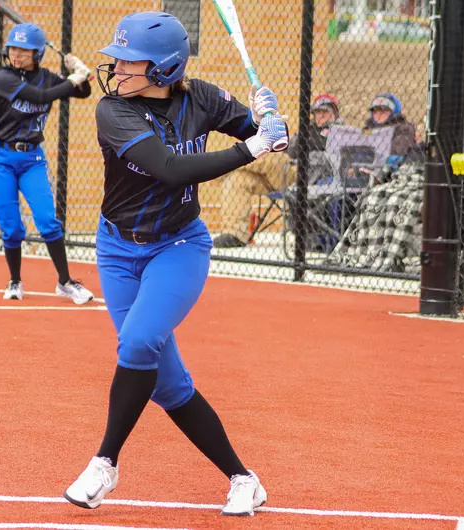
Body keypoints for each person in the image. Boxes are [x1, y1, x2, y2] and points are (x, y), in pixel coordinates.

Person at [62, 12, 288, 516]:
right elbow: (169, 168)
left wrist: (271, 120)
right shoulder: (113, 111)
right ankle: (244, 479)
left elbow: (266, 136)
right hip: (117, 250)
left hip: (178, 246)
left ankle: (105, 462)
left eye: (130, 61)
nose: (117, 68)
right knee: (167, 384)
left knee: (138, 341)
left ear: (164, 69)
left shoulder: (201, 98)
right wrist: (253, 145)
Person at [0, 23, 94, 304]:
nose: (17, 55)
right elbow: (41, 97)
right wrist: (74, 78)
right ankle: (15, 280)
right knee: (12, 227)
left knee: (47, 221)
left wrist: (79, 72)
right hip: (0, 159)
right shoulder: (3, 76)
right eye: (13, 49)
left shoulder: (47, 77)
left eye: (24, 51)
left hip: (32, 159)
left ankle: (65, 282)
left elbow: (82, 93)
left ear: (38, 53)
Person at [213, 92, 343, 248]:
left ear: (334, 113)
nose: (320, 116)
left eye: (325, 112)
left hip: (304, 175)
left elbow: (332, 160)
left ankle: (224, 166)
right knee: (238, 179)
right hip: (282, 173)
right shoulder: (306, 130)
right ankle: (235, 235)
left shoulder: (340, 133)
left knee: (269, 157)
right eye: (317, 112)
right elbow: (287, 149)